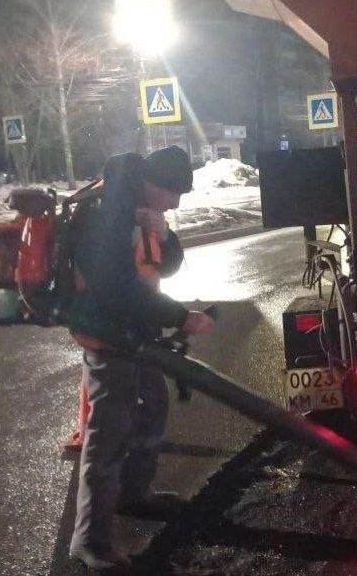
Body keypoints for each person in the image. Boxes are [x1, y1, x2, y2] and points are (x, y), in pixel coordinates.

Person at [67, 147, 215, 571]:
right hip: (109, 337)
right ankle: (90, 541)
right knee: (109, 433)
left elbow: (165, 267)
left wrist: (164, 234)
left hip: (137, 334)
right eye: (173, 194)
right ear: (153, 182)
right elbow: (115, 289)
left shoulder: (142, 208)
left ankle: (133, 494)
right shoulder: (107, 213)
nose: (176, 203)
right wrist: (180, 317)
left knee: (153, 407)